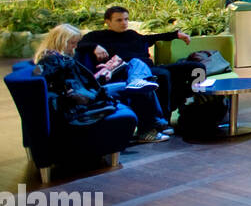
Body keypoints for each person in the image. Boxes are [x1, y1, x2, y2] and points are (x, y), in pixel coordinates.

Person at [33, 25, 166, 144]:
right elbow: (69, 86)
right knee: (139, 86)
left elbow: (78, 81)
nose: (75, 47)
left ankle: (138, 84)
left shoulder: (60, 58)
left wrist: (103, 72)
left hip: (91, 88)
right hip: (90, 95)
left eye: (76, 43)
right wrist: (96, 80)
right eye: (72, 43)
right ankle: (150, 127)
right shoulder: (52, 60)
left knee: (136, 64)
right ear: (60, 41)